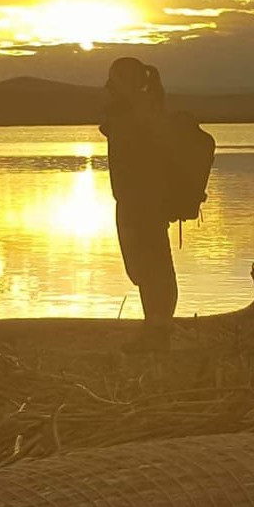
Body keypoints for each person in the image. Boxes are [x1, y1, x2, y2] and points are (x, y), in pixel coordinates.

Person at [100, 57, 175, 353]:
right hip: (137, 200)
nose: (107, 86)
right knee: (147, 267)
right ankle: (156, 330)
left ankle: (158, 333)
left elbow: (120, 132)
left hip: (142, 201)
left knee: (151, 267)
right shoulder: (138, 108)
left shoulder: (140, 110)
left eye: (113, 79)